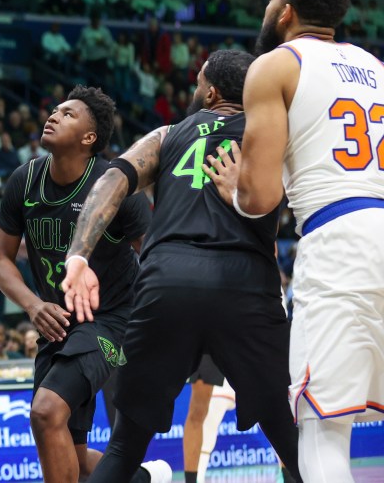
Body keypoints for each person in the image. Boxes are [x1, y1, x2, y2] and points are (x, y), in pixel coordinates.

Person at [60, 52, 301, 483]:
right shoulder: (270, 135)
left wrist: (79, 254)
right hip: (244, 283)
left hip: (166, 280)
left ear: (210, 92)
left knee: (124, 446)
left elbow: (112, 181)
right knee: (289, 437)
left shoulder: (167, 133)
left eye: (197, 82)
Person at [206, 0, 383, 483]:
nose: (266, 7)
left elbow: (261, 198)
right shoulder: (376, 67)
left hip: (339, 241)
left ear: (286, 12)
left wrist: (234, 189)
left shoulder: (277, 64)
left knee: (322, 430)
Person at [0, 85, 162, 483]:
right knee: (66, 449)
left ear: (89, 138)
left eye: (68, 114)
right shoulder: (26, 179)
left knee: (45, 411)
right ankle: (142, 479)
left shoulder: (117, 186)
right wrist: (33, 305)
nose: (53, 115)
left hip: (112, 319)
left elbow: (155, 255)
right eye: (55, 109)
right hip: (56, 323)